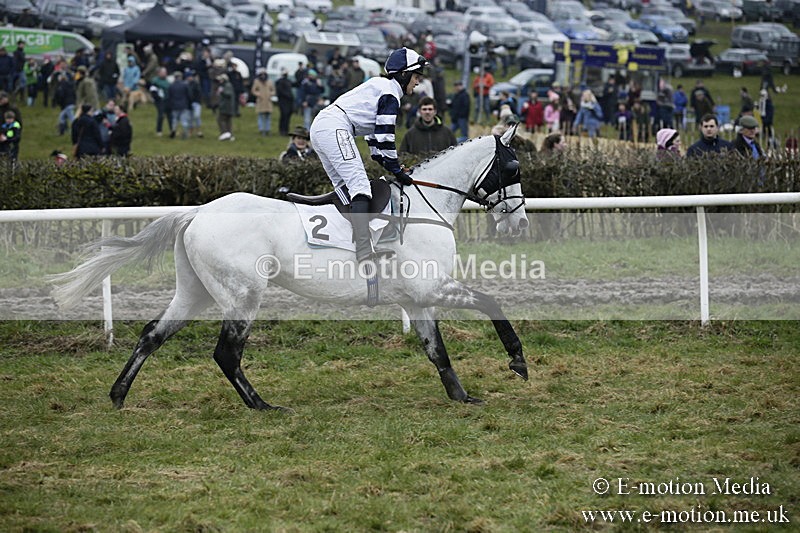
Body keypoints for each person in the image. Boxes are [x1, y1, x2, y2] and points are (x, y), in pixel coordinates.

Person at [310, 47, 424, 263]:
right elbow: (386, 137)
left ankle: (344, 242)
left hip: (323, 126)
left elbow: (375, 142)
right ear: (404, 74)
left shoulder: (381, 86)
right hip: (335, 127)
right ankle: (364, 250)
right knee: (360, 186)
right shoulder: (390, 93)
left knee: (345, 188)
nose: (418, 82)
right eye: (416, 76)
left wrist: (388, 163)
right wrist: (397, 171)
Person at [250, 67, 274, 137]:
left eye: (264, 74)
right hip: (261, 101)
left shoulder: (270, 81)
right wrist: (259, 94)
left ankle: (267, 129)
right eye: (262, 74)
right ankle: (262, 129)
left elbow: (273, 90)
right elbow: (253, 90)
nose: (263, 75)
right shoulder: (257, 81)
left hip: (268, 101)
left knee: (268, 116)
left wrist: (270, 94)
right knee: (261, 116)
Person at [149, 67, 171, 137]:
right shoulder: (155, 81)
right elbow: (153, 91)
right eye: (163, 72)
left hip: (168, 99)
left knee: (170, 115)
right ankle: (159, 130)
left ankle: (172, 129)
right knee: (161, 114)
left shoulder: (168, 80)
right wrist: (157, 98)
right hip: (159, 100)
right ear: (159, 73)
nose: (165, 74)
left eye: (165, 72)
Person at [216, 73, 236, 141]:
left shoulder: (227, 85)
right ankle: (230, 135)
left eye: (221, 80)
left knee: (221, 120)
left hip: (226, 107)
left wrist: (222, 92)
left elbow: (228, 94)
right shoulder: (226, 85)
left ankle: (225, 134)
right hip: (227, 107)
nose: (219, 81)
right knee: (228, 121)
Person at [275, 69, 294, 136]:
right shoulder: (279, 82)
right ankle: (282, 130)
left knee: (287, 116)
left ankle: (286, 130)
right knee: (284, 116)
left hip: (289, 102)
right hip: (283, 101)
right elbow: (280, 91)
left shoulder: (288, 81)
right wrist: (288, 95)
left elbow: (295, 84)